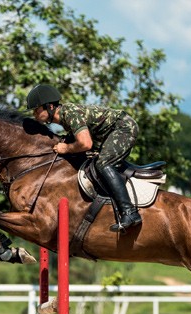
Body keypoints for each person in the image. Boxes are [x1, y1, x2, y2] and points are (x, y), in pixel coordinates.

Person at [26, 84, 142, 232]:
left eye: (37, 110)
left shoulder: (69, 114)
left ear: (49, 106)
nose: (34, 114)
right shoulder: (65, 118)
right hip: (107, 134)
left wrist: (66, 148)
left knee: (103, 164)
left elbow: (86, 143)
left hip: (123, 128)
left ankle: (130, 212)